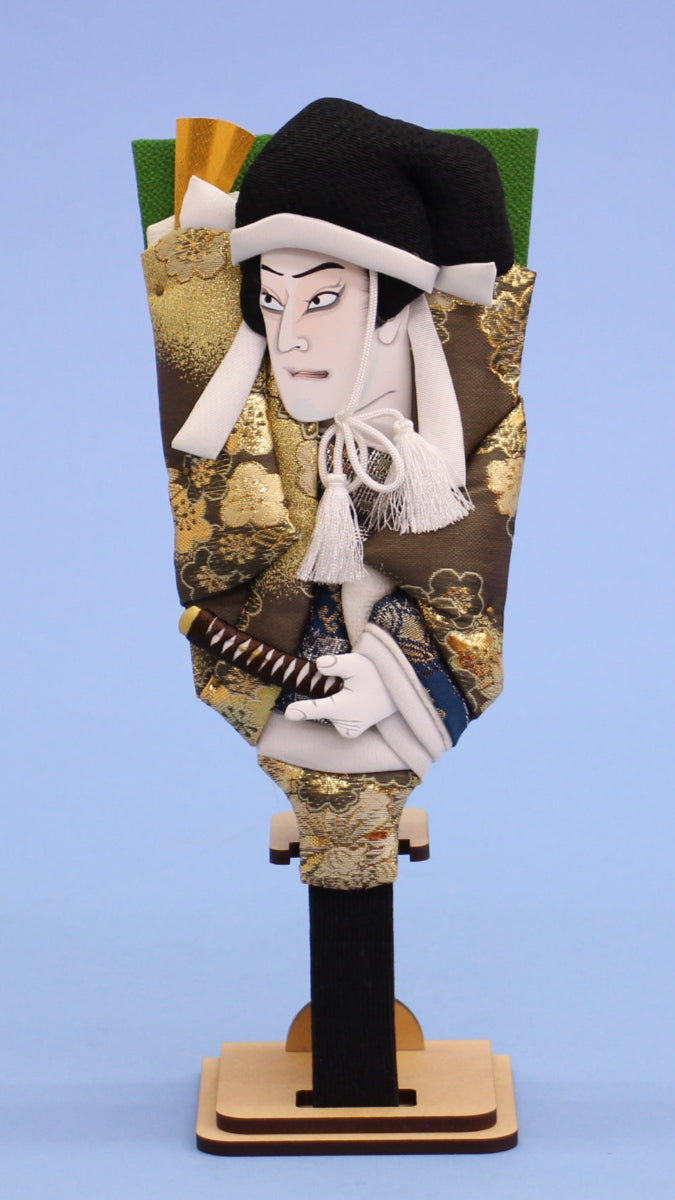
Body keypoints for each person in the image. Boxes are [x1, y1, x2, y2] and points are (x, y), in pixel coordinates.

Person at [142, 99, 534, 1106]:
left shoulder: (452, 421)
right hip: (279, 671)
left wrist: (390, 673)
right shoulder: (248, 412)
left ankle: (357, 1040)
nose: (291, 335)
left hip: (390, 680)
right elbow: (214, 540)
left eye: (323, 299)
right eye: (271, 302)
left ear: (396, 306)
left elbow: (474, 553)